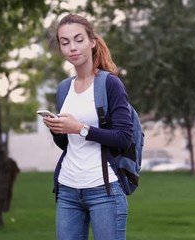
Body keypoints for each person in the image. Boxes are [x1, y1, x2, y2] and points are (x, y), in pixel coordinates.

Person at [42, 13, 133, 240]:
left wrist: (80, 128)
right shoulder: (64, 88)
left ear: (92, 42)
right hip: (67, 190)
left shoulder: (110, 83)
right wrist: (57, 129)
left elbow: (124, 137)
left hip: (104, 190)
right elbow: (67, 144)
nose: (72, 47)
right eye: (65, 42)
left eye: (78, 39)